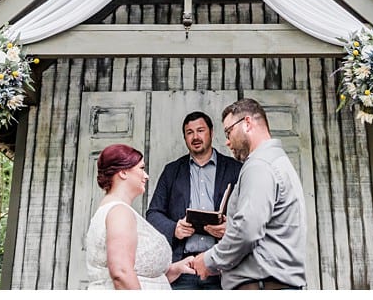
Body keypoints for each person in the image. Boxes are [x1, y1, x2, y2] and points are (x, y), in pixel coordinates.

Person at [191, 99, 307, 290]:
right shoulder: (277, 161)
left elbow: (247, 231)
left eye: (228, 132)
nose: (227, 141)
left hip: (260, 286)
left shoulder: (259, 165)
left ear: (247, 123)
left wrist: (209, 260)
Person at [146, 111, 243, 290]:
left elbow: (250, 215)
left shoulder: (235, 169)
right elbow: (153, 213)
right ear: (185, 137)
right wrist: (174, 228)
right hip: (183, 268)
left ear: (211, 133)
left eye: (200, 130)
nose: (195, 137)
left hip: (223, 268)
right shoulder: (172, 171)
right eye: (189, 132)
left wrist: (230, 228)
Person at [85, 144, 196, 290]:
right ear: (123, 172)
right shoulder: (119, 212)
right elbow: (121, 273)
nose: (146, 175)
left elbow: (140, 275)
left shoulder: (118, 210)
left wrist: (175, 269)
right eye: (141, 168)